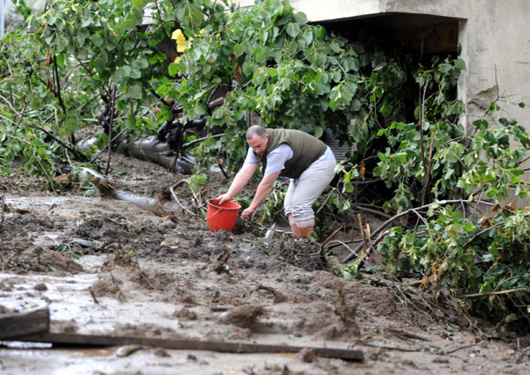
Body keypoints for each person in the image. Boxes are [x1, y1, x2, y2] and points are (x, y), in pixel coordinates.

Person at [216, 125, 337, 239]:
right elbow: (245, 172)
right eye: (253, 147)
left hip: (321, 163)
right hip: (303, 168)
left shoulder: (278, 150)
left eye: (259, 146)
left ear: (267, 137)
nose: (256, 150)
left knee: (300, 206)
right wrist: (229, 195)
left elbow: (268, 183)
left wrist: (252, 207)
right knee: (289, 207)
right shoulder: (255, 147)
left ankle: (309, 247)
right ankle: (298, 243)